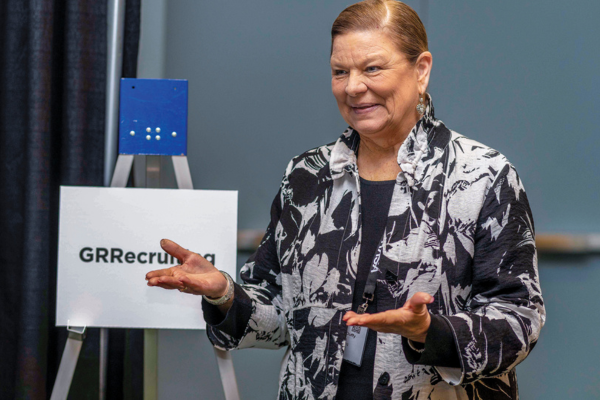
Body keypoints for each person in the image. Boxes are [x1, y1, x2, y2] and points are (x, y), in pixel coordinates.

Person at [146, 1, 545, 398]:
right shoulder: (306, 176)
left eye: (372, 68)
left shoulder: (482, 175)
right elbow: (280, 317)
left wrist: (430, 332)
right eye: (340, 72)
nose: (353, 87)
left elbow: (519, 318)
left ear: (421, 70)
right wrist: (224, 293)